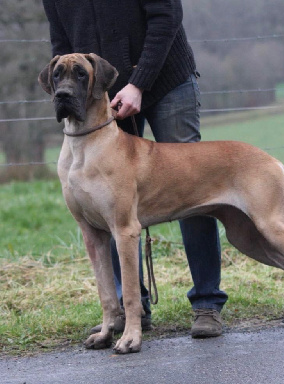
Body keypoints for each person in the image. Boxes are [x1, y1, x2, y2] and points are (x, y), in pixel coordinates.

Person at [42, 0, 228, 337]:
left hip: (167, 81)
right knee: (112, 205)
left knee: (196, 190)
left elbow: (167, 15)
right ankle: (132, 310)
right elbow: (62, 44)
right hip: (100, 96)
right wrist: (72, 98)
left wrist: (139, 83)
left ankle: (206, 304)